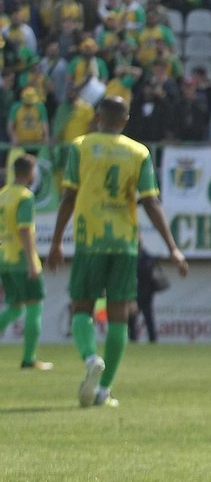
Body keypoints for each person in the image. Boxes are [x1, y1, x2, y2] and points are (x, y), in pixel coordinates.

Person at [45, 97, 187, 407]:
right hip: (125, 243)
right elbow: (151, 202)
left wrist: (56, 242)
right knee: (119, 313)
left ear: (97, 118)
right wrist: (173, 248)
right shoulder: (139, 152)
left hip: (89, 239)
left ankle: (90, 359)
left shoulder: (80, 146)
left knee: (81, 308)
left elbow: (69, 196)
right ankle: (104, 390)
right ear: (125, 121)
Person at [0, 153, 52, 371]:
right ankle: (29, 359)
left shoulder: (3, 194)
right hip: (21, 259)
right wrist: (32, 261)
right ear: (31, 173)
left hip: (4, 258)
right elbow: (24, 229)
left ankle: (30, 357)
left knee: (14, 307)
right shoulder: (25, 196)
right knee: (34, 305)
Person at [129, 245, 168, 344]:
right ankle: (134, 339)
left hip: (144, 293)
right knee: (133, 319)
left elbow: (145, 275)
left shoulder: (145, 258)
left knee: (147, 318)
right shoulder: (143, 257)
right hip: (137, 293)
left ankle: (152, 339)